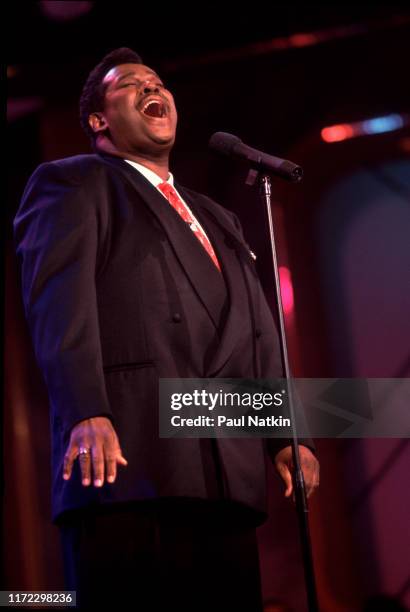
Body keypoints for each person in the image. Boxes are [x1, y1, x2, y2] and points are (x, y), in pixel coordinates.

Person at [13, 48, 319, 610]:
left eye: (157, 81)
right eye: (130, 84)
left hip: (223, 473)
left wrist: (282, 435)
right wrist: (86, 409)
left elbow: (254, 328)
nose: (152, 88)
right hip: (131, 462)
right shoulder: (74, 183)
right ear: (99, 120)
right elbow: (59, 305)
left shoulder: (216, 216)